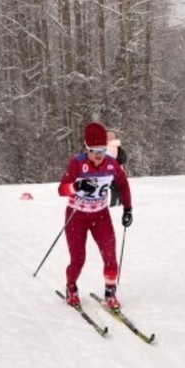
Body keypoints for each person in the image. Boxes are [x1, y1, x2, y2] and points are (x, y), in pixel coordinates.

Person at [58, 121, 133, 310]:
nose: (99, 155)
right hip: (77, 216)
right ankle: (71, 287)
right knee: (78, 259)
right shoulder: (77, 163)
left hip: (101, 216)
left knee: (110, 255)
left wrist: (128, 209)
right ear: (86, 148)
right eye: (94, 151)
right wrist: (76, 187)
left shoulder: (111, 164)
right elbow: (61, 189)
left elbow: (123, 184)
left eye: (102, 150)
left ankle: (110, 292)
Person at [106, 130, 128, 207]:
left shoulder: (109, 147)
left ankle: (114, 203)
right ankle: (120, 202)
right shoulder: (118, 147)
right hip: (118, 170)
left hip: (111, 170)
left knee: (113, 187)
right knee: (117, 187)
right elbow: (123, 159)